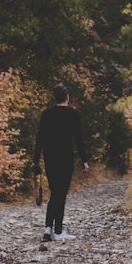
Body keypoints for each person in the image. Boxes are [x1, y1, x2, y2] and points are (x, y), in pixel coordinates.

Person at [32, 84, 88, 242]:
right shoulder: (73, 114)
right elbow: (78, 139)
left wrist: (35, 161)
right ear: (67, 97)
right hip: (65, 158)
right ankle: (57, 231)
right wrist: (84, 160)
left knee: (55, 193)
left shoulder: (46, 114)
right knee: (60, 194)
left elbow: (40, 138)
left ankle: (48, 228)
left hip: (50, 158)